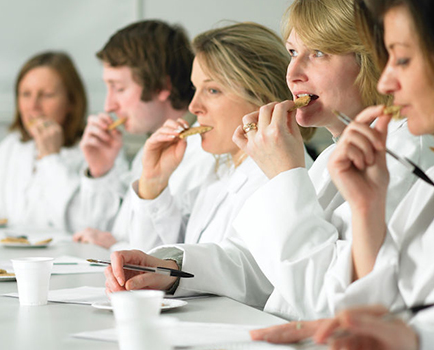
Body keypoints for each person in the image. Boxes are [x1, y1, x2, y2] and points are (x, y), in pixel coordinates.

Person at [251, 0, 434, 348]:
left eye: (401, 59)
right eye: (292, 52)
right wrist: (366, 209)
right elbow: (377, 306)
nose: (388, 79)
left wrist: (285, 175)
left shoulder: (412, 152)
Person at [229, 0, 434, 320]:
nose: (292, 73)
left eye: (318, 53)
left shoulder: (405, 153)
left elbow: (325, 301)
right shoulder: (337, 150)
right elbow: (265, 268)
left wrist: (284, 175)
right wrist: (174, 266)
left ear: (372, 62)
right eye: (292, 52)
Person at [103, 22, 314, 309]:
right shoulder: (219, 167)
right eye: (195, 88)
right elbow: (150, 260)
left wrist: (172, 269)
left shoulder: (286, 175)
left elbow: (257, 276)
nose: (193, 107)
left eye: (212, 90)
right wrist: (153, 183)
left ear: (263, 98)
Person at [72, 20, 213, 250]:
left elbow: (170, 259)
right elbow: (93, 235)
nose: (109, 105)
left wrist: (117, 246)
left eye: (118, 88)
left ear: (160, 87)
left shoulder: (203, 153)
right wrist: (101, 171)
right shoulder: (150, 147)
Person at [0, 51, 103, 231]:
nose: (33, 106)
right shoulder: (13, 146)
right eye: (26, 94)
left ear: (71, 102)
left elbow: (85, 223)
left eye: (47, 95)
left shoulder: (94, 152)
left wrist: (50, 157)